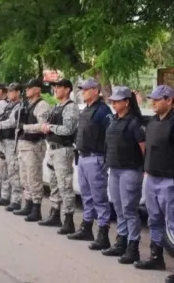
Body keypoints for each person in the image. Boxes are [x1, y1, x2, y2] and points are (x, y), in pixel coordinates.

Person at [137, 84, 174, 280]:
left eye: (157, 99)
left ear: (169, 100)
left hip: (170, 180)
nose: (153, 102)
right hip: (152, 178)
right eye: (152, 98)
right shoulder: (152, 121)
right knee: (154, 220)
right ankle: (156, 257)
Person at [102, 86, 146, 263]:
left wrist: (143, 169)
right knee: (118, 207)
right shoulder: (114, 120)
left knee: (129, 209)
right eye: (112, 100)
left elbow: (143, 148)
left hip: (130, 170)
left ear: (127, 102)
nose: (113, 103)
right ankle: (121, 241)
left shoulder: (135, 122)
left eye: (117, 101)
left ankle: (133, 246)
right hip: (115, 169)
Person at [69, 78, 113, 246]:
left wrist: (106, 160)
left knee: (99, 197)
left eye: (86, 89)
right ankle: (87, 227)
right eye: (82, 89)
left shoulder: (103, 111)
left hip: (96, 158)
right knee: (86, 196)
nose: (83, 92)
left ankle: (103, 234)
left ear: (96, 90)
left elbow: (110, 136)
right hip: (83, 157)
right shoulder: (85, 110)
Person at [39, 78, 80, 234]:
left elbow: (68, 129)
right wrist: (45, 126)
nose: (55, 90)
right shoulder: (56, 106)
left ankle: (68, 219)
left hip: (63, 149)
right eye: (55, 87)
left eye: (59, 87)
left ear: (67, 89)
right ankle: (55, 214)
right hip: (53, 148)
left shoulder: (71, 107)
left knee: (65, 185)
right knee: (54, 183)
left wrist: (50, 127)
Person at [16, 78, 51, 222]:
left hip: (34, 145)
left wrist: (24, 127)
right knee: (25, 177)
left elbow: (42, 126)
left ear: (37, 89)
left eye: (29, 88)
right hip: (24, 144)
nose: (26, 90)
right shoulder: (28, 104)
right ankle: (28, 204)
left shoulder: (42, 105)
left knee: (33, 177)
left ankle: (36, 208)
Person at [0, 82, 24, 210]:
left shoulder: (19, 106)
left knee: (13, 171)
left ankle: (16, 200)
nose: (9, 94)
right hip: (3, 141)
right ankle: (5, 196)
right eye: (8, 91)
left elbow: (13, 122)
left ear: (18, 93)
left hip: (12, 142)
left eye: (11, 91)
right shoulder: (8, 106)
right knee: (4, 169)